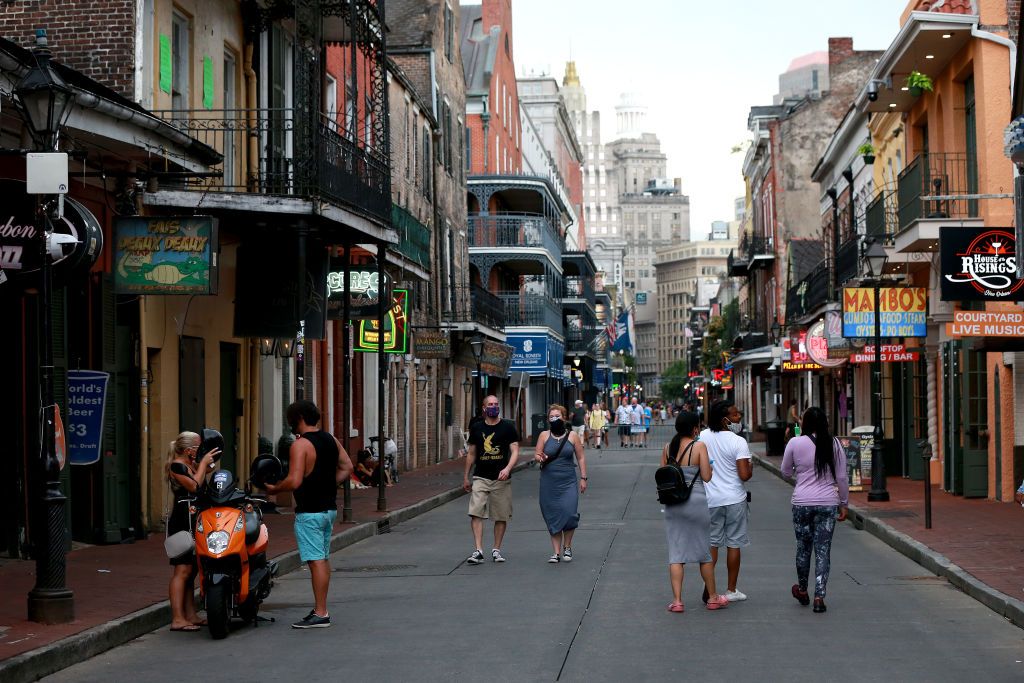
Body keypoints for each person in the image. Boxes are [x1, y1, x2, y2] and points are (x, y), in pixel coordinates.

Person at [266, 400, 353, 629]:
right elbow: (347, 467)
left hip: (310, 512)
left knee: (316, 562)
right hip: (329, 510)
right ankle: (320, 609)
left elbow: (294, 480)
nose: (290, 424)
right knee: (322, 559)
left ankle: (321, 612)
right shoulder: (330, 439)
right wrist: (328, 484)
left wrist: (275, 489)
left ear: (300, 419)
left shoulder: (300, 445)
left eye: (291, 420)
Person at [781, 407, 849, 613]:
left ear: (805, 423)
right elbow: (842, 477)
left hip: (801, 502)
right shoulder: (835, 443)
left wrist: (799, 473)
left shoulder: (794, 442)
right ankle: (820, 596)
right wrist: (844, 503)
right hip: (828, 503)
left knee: (803, 547)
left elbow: (785, 472)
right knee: (822, 550)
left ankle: (802, 589)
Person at [661, 412, 728, 612]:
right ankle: (713, 598)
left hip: (673, 505)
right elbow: (706, 477)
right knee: (704, 553)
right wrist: (710, 469)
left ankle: (677, 601)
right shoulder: (699, 446)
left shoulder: (667, 448)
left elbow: (664, 476)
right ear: (695, 428)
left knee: (676, 554)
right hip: (696, 504)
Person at [700, 399, 753, 604]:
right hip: (734, 499)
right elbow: (744, 475)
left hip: (710, 499)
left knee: (712, 544)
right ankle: (731, 590)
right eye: (735, 414)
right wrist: (750, 467)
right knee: (733, 543)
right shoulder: (738, 441)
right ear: (724, 420)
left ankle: (709, 587)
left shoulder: (702, 437)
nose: (738, 417)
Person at [166, 431, 219, 632]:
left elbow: (203, 475)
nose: (201, 450)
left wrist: (206, 462)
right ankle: (177, 618)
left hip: (195, 520)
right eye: (198, 447)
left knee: (192, 570)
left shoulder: (190, 464)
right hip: (182, 522)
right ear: (189, 450)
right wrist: (203, 463)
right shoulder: (176, 466)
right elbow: (194, 486)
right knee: (182, 570)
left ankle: (190, 614)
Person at [462, 395, 520, 564]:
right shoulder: (477, 428)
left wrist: (508, 468)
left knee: (501, 515)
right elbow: (471, 453)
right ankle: (478, 550)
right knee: (476, 512)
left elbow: (515, 451)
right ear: (484, 408)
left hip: (501, 478)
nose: (494, 407)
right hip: (480, 476)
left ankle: (496, 549)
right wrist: (466, 476)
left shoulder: (508, 427)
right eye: (491, 404)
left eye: (496, 404)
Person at [534, 404, 588, 563]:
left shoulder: (572, 436)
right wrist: (540, 457)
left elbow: (581, 457)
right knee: (552, 514)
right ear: (548, 420)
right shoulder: (544, 435)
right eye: (551, 417)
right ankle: (556, 552)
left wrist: (583, 477)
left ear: (564, 418)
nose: (554, 419)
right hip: (548, 482)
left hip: (568, 481)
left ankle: (568, 547)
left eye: (557, 416)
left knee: (569, 513)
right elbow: (537, 454)